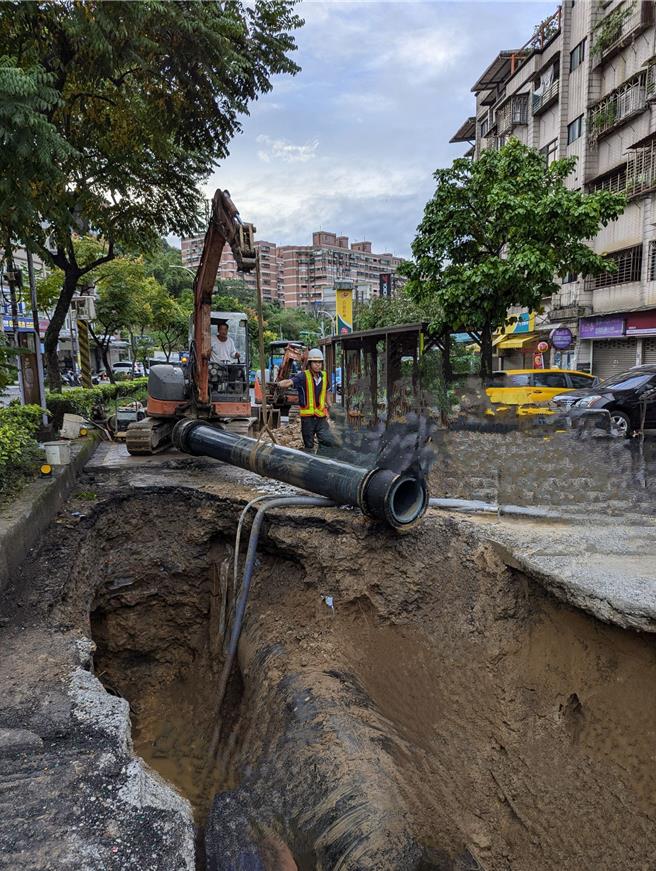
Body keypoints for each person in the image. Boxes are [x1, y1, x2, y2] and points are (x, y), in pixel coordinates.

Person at [278, 348, 336, 452]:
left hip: (321, 418)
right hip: (307, 419)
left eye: (319, 362)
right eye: (315, 362)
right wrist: (278, 384)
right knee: (308, 446)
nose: (318, 365)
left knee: (327, 441)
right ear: (310, 363)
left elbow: (327, 392)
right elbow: (289, 382)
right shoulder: (303, 376)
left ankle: (322, 462)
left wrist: (330, 406)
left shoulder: (324, 376)